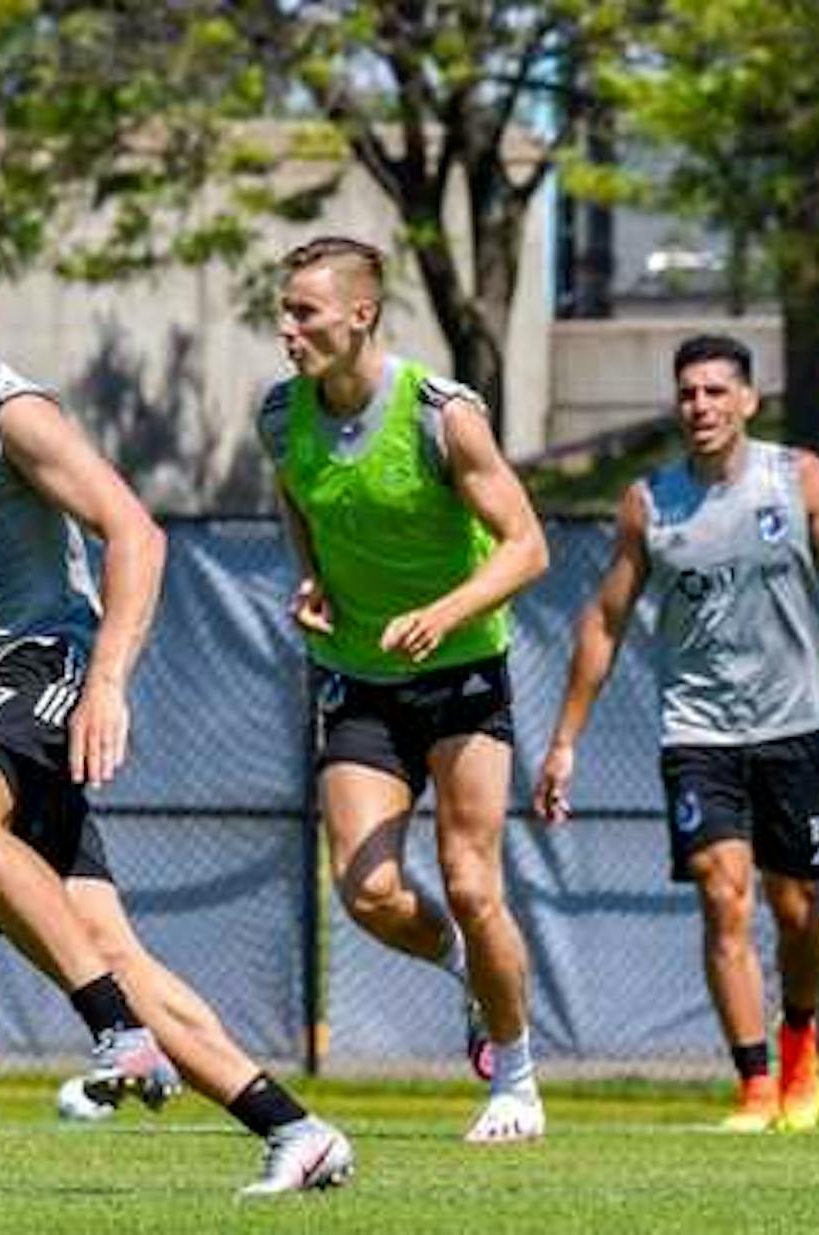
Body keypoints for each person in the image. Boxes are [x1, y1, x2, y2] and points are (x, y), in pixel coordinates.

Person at [0, 202, 354, 1196]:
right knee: (102, 943)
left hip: (42, 654)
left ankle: (114, 1031)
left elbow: (136, 531)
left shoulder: (4, 409)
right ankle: (294, 1126)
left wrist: (105, 684)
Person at [532, 333, 819, 1133]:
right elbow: (604, 620)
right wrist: (564, 739)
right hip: (698, 732)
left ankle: (801, 1038)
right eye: (688, 393)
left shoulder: (797, 478)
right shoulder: (650, 502)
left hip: (794, 728)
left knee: (798, 905)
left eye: (715, 392)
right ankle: (754, 1086)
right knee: (722, 893)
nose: (700, 406)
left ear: (747, 400)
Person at [259, 236, 551, 1144]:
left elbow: (528, 546)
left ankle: (516, 1081)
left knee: (470, 879)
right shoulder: (280, 415)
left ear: (361, 314)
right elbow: (298, 501)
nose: (288, 328)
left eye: (304, 311)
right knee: (369, 891)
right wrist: (311, 578)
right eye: (284, 309)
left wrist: (444, 609)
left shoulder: (441, 414)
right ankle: (471, 966)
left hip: (461, 668)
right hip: (359, 675)